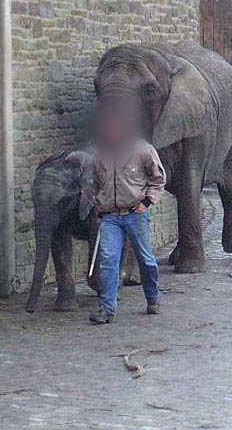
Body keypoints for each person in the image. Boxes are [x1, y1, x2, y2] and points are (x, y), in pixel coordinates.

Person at [89, 108, 166, 324]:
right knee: (109, 261)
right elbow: (96, 182)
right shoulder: (100, 153)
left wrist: (147, 202)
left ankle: (152, 297)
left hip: (135, 214)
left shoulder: (143, 150)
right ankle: (107, 309)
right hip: (110, 217)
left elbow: (158, 179)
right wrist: (98, 206)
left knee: (145, 259)